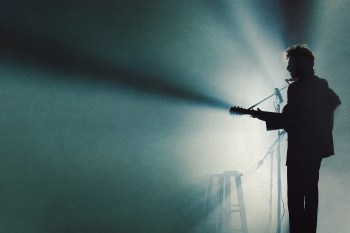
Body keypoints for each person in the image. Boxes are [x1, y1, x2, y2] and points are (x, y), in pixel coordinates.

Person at [252, 44, 341, 233]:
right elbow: (335, 102)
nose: (288, 68)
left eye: (291, 63)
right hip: (315, 150)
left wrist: (262, 116)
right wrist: (322, 128)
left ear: (300, 63)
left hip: (299, 151)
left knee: (295, 199)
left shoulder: (297, 89)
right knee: (310, 196)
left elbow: (292, 121)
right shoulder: (320, 84)